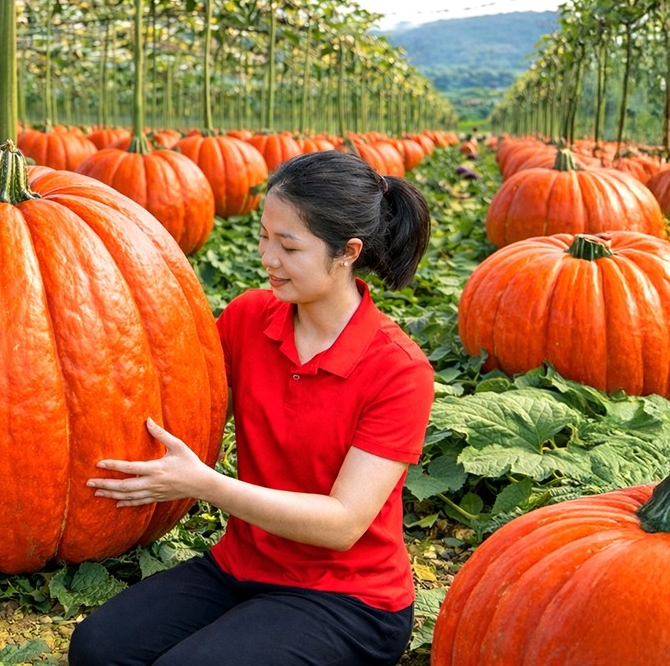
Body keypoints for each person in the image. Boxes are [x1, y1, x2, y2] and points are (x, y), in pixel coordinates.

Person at [68, 150, 435, 666]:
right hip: (241, 567)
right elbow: (184, 402)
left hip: (350, 600)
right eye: (264, 236)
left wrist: (204, 484)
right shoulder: (247, 318)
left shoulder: (398, 371)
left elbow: (342, 523)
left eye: (288, 246)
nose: (267, 257)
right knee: (96, 649)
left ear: (348, 252)